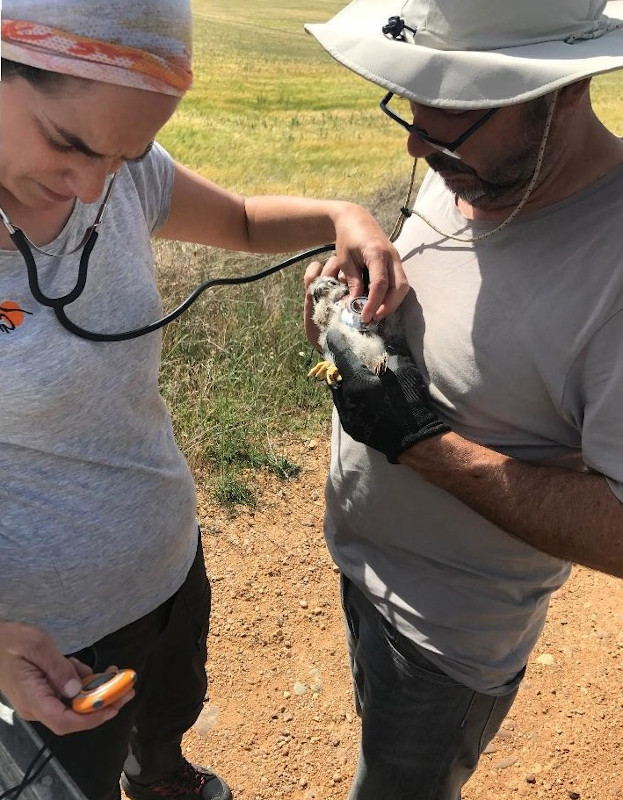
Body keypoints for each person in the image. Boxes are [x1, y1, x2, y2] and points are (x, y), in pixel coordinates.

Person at [0, 3, 408, 800]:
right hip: (43, 640)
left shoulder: (119, 178)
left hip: (166, 564)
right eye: (69, 143)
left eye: (130, 153)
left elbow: (243, 220)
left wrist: (340, 215)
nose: (93, 186)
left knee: (168, 714)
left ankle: (163, 774)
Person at [303, 0, 623, 798]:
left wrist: (420, 444)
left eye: (455, 114)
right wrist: (353, 304)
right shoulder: (479, 165)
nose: (417, 141)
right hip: (362, 568)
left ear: (563, 92)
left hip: (448, 639)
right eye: (415, 102)